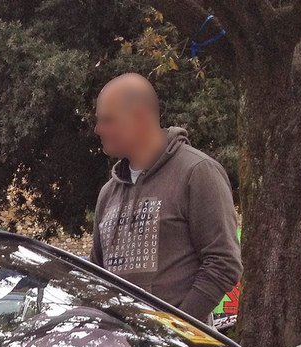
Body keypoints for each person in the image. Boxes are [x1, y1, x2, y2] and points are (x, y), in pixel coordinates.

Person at [91, 73, 239, 320]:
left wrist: (178, 330)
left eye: (107, 120)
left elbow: (224, 264)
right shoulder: (108, 193)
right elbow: (97, 275)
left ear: (139, 118)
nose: (98, 129)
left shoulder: (197, 172)